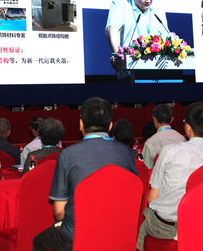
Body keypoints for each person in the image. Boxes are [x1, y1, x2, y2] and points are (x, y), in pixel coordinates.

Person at [33, 97, 137, 251]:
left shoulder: (68, 155)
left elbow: (59, 212)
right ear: (110, 125)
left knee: (38, 241)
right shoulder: (127, 154)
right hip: (118, 234)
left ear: (81, 124)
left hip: (76, 237)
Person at [136, 102, 203, 250]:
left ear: (188, 128)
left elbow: (152, 198)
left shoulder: (169, 151)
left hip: (166, 227)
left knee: (143, 226)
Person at [105, 0, 169, 78]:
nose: (148, 0)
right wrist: (117, 55)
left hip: (156, 68)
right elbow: (112, 28)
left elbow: (165, 35)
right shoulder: (121, 1)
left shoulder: (158, 5)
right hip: (129, 70)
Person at [142, 103, 185, 169]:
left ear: (154, 119)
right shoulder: (182, 139)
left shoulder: (150, 143)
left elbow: (146, 169)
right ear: (172, 120)